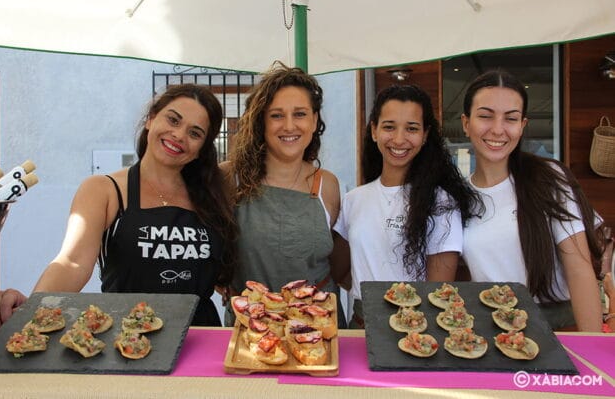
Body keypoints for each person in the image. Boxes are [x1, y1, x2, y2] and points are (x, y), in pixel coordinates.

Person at [0, 83, 237, 331]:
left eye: (195, 133)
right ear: (151, 119)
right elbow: (72, 262)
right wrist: (33, 309)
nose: (179, 135)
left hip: (201, 337)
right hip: (129, 337)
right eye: (173, 120)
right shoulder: (103, 189)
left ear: (201, 149)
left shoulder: (215, 193)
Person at [460, 69, 603, 332]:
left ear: (522, 125)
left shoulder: (548, 177)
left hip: (557, 326)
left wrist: (590, 344)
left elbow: (579, 270)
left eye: (510, 118)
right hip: (491, 328)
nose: (498, 129)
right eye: (485, 116)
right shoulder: (458, 196)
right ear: (466, 123)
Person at [331, 85, 481, 328]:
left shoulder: (441, 202)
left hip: (416, 330)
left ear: (425, 135)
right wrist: (370, 298)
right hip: (360, 326)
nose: (399, 139)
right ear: (374, 131)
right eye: (389, 127)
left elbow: (438, 292)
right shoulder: (353, 199)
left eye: (411, 128)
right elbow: (340, 272)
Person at [220, 62, 344, 326]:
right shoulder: (230, 178)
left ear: (314, 120)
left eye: (300, 114)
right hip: (251, 330)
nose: (289, 126)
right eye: (276, 115)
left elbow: (340, 264)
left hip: (318, 328)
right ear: (261, 122)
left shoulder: (328, 185)